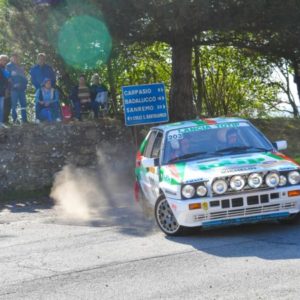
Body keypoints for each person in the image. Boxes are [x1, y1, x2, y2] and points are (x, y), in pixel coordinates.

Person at [6, 53, 28, 124]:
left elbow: (25, 77)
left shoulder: (20, 66)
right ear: (11, 58)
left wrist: (24, 85)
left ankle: (24, 120)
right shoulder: (8, 66)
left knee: (23, 104)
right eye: (14, 58)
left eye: (17, 58)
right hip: (13, 89)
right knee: (14, 105)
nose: (15, 59)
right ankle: (15, 120)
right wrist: (14, 85)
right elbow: (8, 77)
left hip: (22, 89)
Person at [0, 55, 9, 128]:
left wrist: (6, 90)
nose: (4, 61)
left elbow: (7, 81)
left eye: (5, 60)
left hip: (2, 91)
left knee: (1, 107)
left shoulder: (5, 69)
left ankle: (1, 122)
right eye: (2, 60)